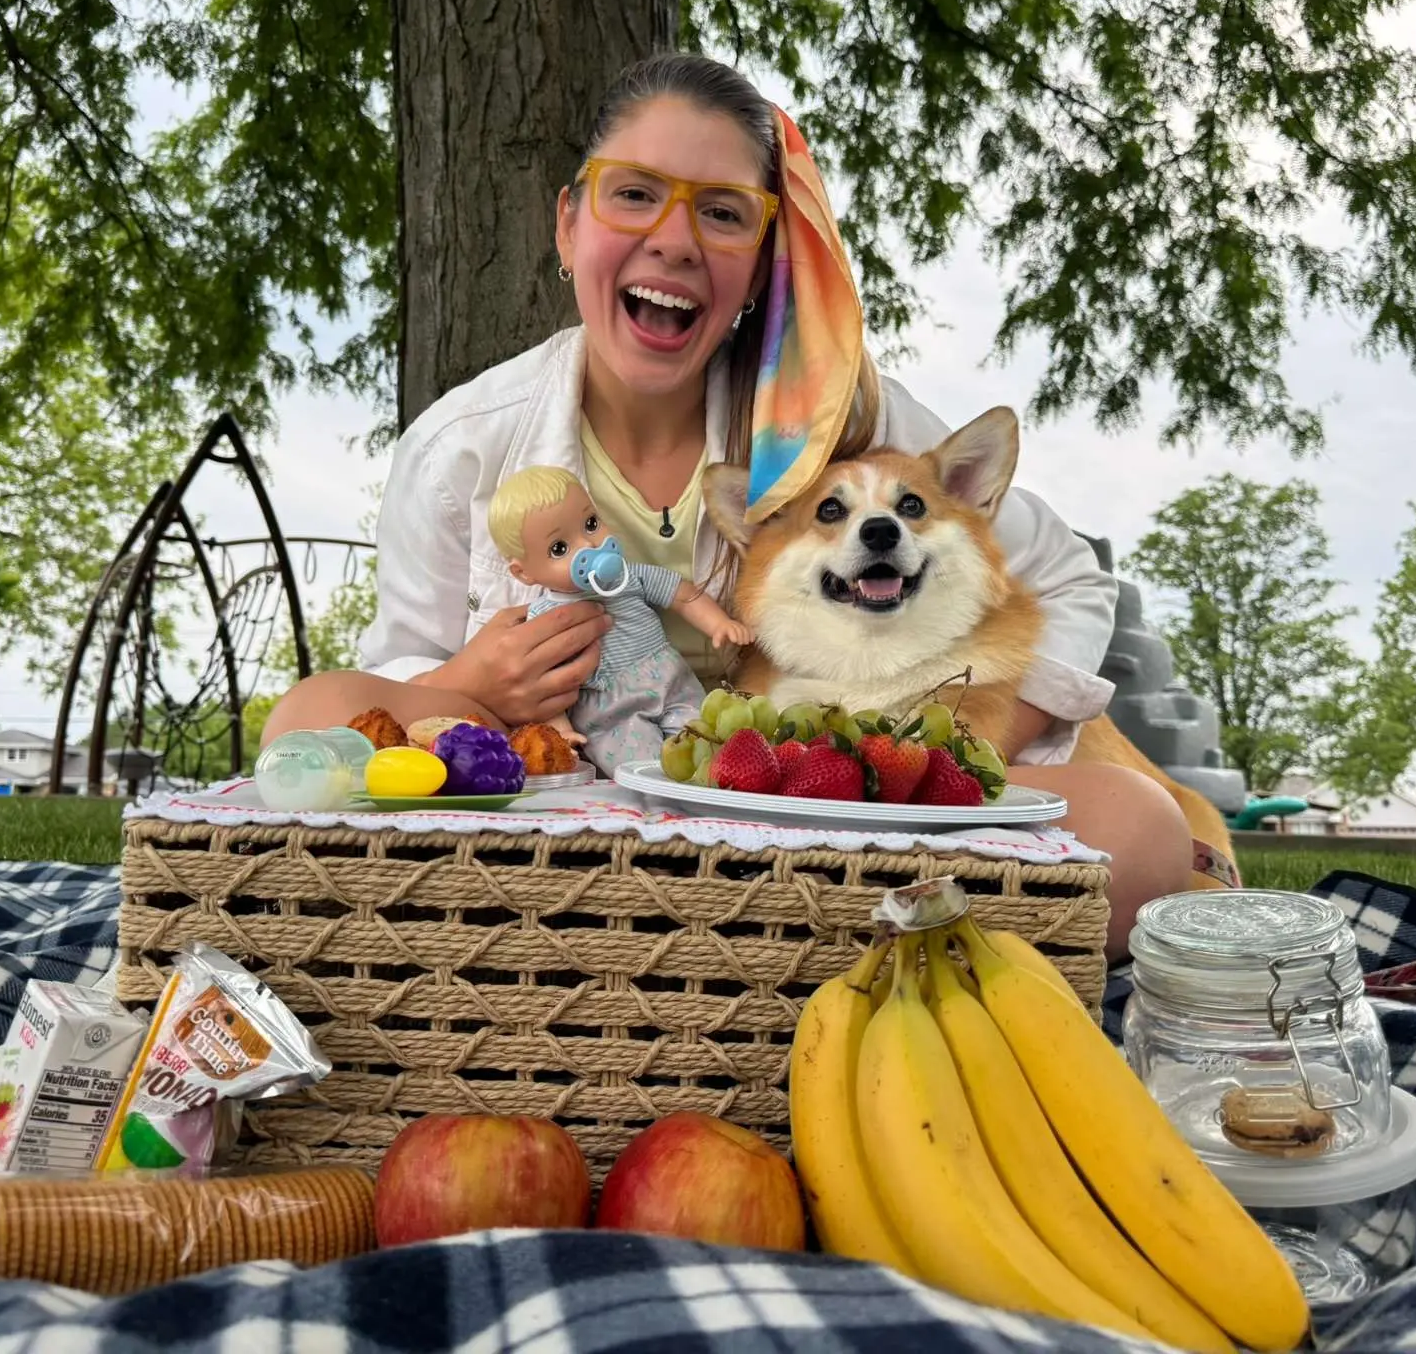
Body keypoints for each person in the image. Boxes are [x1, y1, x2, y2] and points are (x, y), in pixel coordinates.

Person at [263, 52, 1196, 954]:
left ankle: (728, 949)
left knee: (1141, 831)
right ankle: (789, 951)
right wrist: (468, 682)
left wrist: (956, 743)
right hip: (569, 816)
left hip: (822, 817)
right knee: (306, 718)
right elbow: (390, 713)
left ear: (762, 265)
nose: (673, 239)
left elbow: (1070, 577)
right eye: (633, 193)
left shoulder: (845, 412)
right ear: (568, 225)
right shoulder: (462, 446)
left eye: (722, 213)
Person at [489, 463, 751, 766]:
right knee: (641, 766)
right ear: (523, 573)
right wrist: (560, 730)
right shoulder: (544, 619)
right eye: (560, 548)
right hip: (612, 712)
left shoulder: (626, 576)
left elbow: (683, 594)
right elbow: (546, 684)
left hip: (673, 684)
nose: (589, 545)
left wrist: (720, 623)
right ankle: (654, 807)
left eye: (590, 524)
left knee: (708, 747)